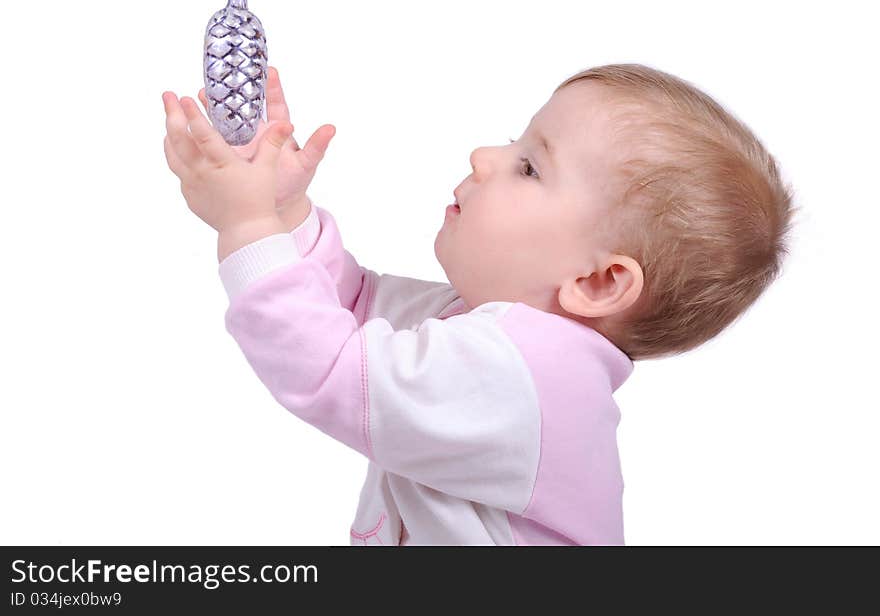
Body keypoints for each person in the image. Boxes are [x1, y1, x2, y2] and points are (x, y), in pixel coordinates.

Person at [161, 63, 796, 545]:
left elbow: (331, 370)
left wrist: (247, 227)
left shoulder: (521, 376)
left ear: (599, 282)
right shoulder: (489, 331)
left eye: (528, 168)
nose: (485, 156)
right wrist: (282, 212)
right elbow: (353, 311)